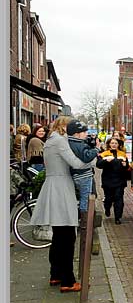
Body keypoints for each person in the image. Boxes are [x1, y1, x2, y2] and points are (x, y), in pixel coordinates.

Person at [29, 116, 92, 293]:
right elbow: (76, 163)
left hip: (53, 185)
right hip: (61, 188)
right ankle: (68, 280)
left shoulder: (51, 140)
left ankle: (55, 274)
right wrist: (93, 159)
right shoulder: (60, 141)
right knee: (67, 237)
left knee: (58, 236)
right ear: (65, 127)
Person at [67, 120, 100, 217]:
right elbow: (86, 157)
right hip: (83, 175)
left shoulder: (68, 143)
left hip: (73, 173)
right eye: (84, 132)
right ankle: (85, 222)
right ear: (77, 134)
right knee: (85, 198)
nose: (86, 134)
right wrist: (96, 149)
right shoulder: (79, 144)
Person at [97, 137, 130, 224]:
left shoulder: (122, 154)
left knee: (118, 199)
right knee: (108, 198)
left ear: (118, 145)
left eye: (115, 143)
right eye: (112, 143)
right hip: (108, 180)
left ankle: (118, 217)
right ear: (109, 144)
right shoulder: (104, 154)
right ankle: (107, 208)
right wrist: (106, 161)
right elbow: (98, 165)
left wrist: (125, 165)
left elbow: (127, 167)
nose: (114, 145)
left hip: (120, 180)